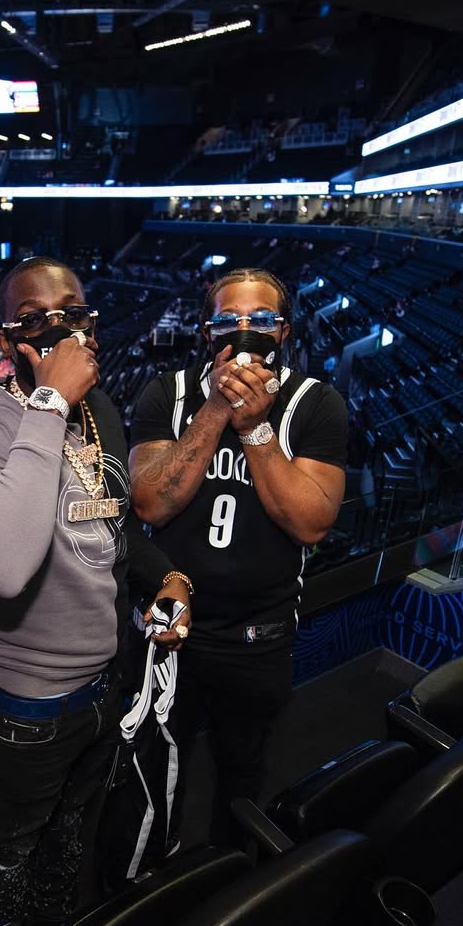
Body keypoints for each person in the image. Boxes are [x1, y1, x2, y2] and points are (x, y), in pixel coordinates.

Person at [0, 256, 191, 926]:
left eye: (73, 308)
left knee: (73, 825)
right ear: (6, 336)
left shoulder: (102, 411)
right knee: (14, 843)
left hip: (101, 676)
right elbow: (3, 565)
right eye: (37, 316)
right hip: (27, 699)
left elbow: (109, 528)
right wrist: (48, 400)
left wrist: (162, 578)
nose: (60, 324)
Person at [130, 267, 347, 849]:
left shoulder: (316, 404)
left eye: (260, 320)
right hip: (174, 629)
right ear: (208, 333)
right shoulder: (167, 393)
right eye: (228, 319)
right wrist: (218, 411)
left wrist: (255, 429)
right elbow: (151, 503)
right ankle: (149, 878)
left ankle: (234, 880)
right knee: (156, 768)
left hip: (260, 635)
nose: (244, 331)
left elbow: (311, 522)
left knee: (242, 769)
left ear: (285, 333)